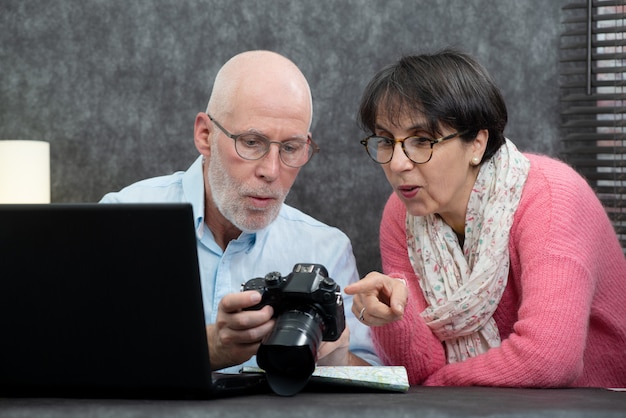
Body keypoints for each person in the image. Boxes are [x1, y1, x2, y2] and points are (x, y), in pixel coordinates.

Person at [344, 48, 626, 387]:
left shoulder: (552, 198)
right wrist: (390, 318)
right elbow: (417, 370)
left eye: (422, 140)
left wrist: (439, 385)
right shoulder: (401, 213)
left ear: (477, 143)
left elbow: (549, 360)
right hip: (480, 405)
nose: (397, 163)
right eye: (386, 141)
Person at [100, 50, 378, 372]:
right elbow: (78, 354)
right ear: (205, 135)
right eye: (251, 142)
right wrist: (209, 347)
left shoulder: (327, 250)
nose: (271, 171)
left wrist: (333, 356)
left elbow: (370, 384)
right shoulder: (122, 220)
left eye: (290, 148)